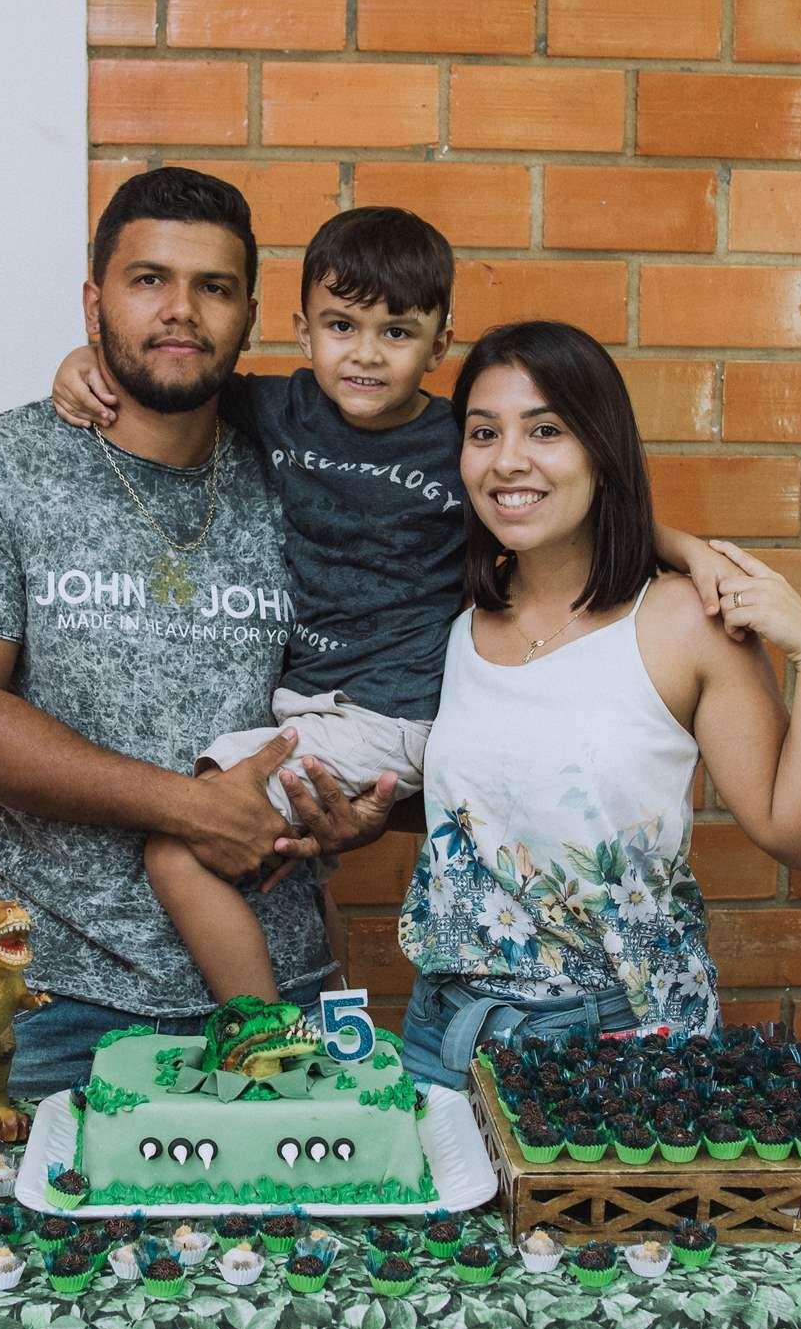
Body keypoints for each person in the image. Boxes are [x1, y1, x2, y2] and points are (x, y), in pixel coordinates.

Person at [53, 209, 722, 1006]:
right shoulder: (280, 409)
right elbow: (170, 379)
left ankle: (263, 1033)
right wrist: (81, 362)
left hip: (389, 710)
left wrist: (685, 550)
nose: (366, 354)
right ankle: (325, 1008)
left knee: (180, 845)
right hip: (313, 702)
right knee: (275, 855)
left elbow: (569, 506)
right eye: (342, 326)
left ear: (439, 345)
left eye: (397, 333)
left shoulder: (459, 442)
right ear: (303, 331)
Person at [0, 167, 392, 1115]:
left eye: (215, 287)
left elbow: (388, 676)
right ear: (94, 303)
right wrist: (190, 809)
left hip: (283, 993)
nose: (181, 310)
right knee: (40, 1218)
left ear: (251, 317)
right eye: (149, 280)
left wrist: (354, 809)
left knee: (304, 1211)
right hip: (56, 1008)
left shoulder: (309, 476)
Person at [396, 319, 801, 1088]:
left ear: (600, 449)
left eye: (546, 430)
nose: (508, 459)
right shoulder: (453, 615)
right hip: (446, 1037)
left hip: (630, 1047)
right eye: (483, 432)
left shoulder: (682, 621)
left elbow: (800, 837)